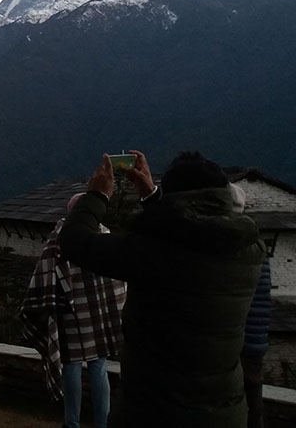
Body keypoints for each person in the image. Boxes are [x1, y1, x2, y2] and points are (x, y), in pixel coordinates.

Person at [58, 151, 266, 427]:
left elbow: (75, 241)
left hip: (153, 412)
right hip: (224, 413)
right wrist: (152, 196)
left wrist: (97, 195)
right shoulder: (250, 250)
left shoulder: (151, 253)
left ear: (174, 198)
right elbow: (191, 230)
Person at [22, 192, 126, 428]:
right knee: (98, 365)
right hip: (98, 314)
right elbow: (116, 280)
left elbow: (45, 274)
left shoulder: (59, 238)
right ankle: (102, 422)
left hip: (69, 311)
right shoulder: (104, 234)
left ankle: (72, 423)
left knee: (71, 365)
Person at [233, 182, 272, 428]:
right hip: (258, 340)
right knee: (253, 396)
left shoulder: (233, 250)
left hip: (236, 339)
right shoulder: (258, 248)